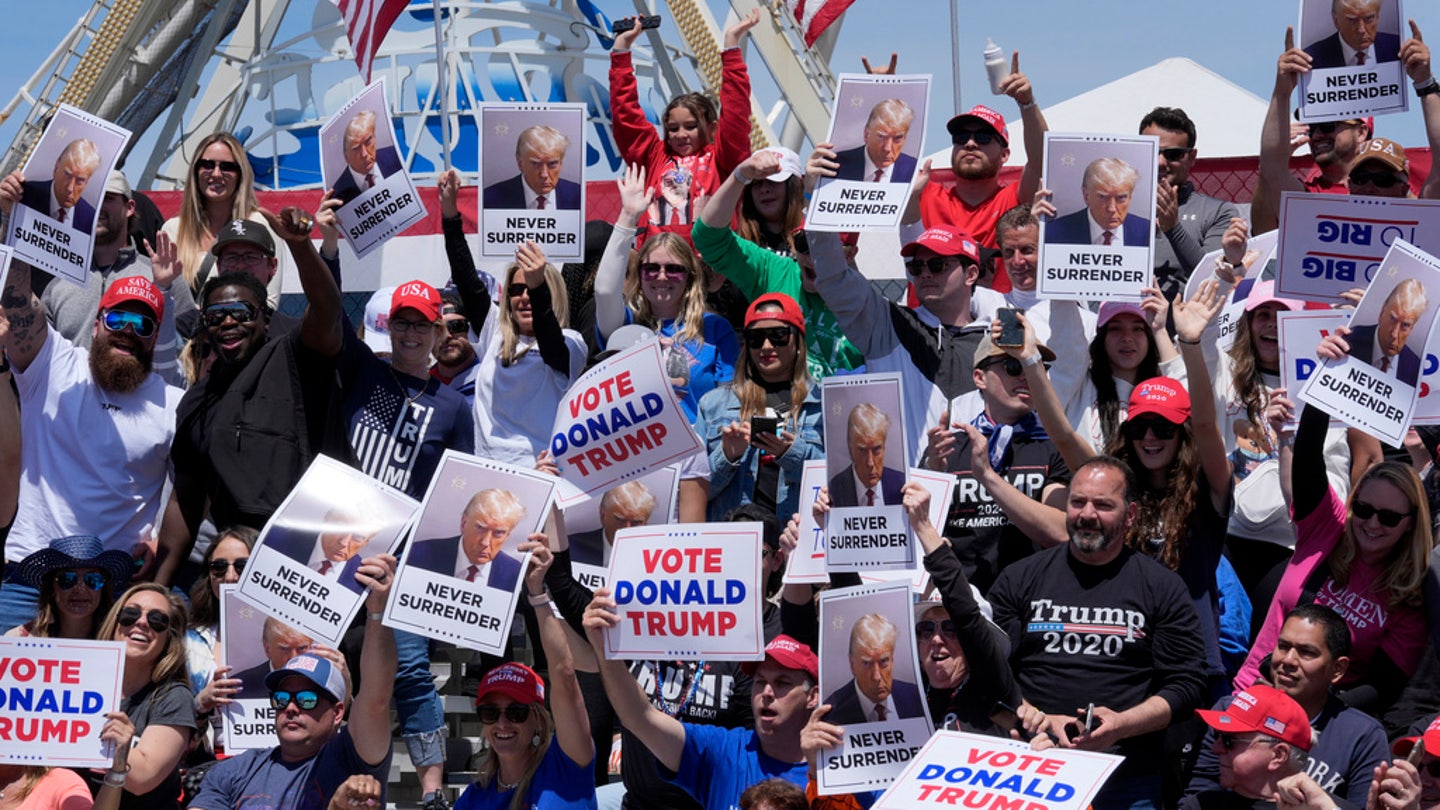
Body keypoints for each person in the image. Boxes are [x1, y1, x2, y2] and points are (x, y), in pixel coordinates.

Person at [998, 457, 1207, 810]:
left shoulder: (1161, 587)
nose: (1087, 514)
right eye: (1078, 502)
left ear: (1131, 514)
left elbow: (1188, 686)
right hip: (1028, 768)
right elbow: (989, 672)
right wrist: (1038, 719)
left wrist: (1121, 725)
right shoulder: (1020, 577)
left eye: (1104, 505)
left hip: (1125, 778)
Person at [160, 207, 353, 587]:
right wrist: (157, 582)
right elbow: (186, 497)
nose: (228, 322)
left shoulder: (295, 354)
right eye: (216, 316)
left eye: (241, 312)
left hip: (316, 559)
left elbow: (328, 311)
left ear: (265, 317)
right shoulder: (196, 401)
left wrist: (301, 246)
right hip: (238, 565)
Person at [1235, 343, 1431, 713]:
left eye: (1388, 517)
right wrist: (1330, 377)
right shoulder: (1328, 530)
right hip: (1251, 695)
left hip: (1321, 725)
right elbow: (1309, 460)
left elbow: (1384, 684)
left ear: (1409, 525)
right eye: (1364, 509)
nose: (1371, 523)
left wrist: (1317, 714)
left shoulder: (1409, 593)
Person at [0, 237, 181, 629]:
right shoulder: (53, 364)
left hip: (113, 589)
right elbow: (16, 305)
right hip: (31, 576)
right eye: (118, 319)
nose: (128, 331)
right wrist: (12, 221)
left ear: (154, 335)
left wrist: (158, 539)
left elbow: (188, 491)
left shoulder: (173, 404)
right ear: (98, 322)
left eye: (142, 324)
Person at [585, 579, 817, 810]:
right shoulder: (724, 750)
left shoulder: (832, 771)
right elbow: (640, 717)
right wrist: (604, 650)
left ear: (813, 696)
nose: (767, 692)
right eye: (760, 682)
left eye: (782, 683)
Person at [189, 554, 398, 810]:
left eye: (307, 700)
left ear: (337, 712)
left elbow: (376, 697)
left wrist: (377, 613)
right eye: (282, 699)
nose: (291, 707)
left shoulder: (353, 760)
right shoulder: (235, 771)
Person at [439, 170, 588, 465]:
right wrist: (449, 213)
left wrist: (537, 285)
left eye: (532, 288)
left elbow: (549, 341)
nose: (524, 297)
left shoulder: (572, 343)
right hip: (488, 468)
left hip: (541, 469)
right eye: (516, 290)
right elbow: (467, 281)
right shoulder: (494, 333)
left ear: (551, 293)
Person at [808, 225, 989, 461]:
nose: (924, 274)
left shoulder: (995, 341)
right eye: (916, 266)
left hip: (979, 492)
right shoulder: (888, 324)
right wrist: (817, 206)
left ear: (971, 274)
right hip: (907, 491)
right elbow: (834, 277)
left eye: (937, 265)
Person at [1188, 605, 1388, 807]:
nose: (1288, 660)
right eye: (1283, 646)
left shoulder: (1362, 736)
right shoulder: (1233, 710)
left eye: (1306, 652)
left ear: (1338, 669)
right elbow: (1198, 797)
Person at [695, 149, 864, 378]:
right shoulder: (773, 269)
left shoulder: (866, 301)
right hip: (781, 399)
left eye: (828, 247)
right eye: (804, 243)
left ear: (849, 255)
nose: (814, 256)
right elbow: (708, 238)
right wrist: (739, 175)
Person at [453, 538, 595, 809]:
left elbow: (564, 675)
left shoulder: (566, 766)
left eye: (516, 712)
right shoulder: (473, 799)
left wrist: (537, 594)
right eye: (490, 713)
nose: (502, 723)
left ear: (538, 720)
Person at [924, 332, 1070, 593]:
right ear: (980, 377)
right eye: (1013, 366)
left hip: (1033, 600)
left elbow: (1060, 532)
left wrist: (988, 477)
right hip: (963, 604)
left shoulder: (1053, 446)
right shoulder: (948, 447)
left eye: (1035, 367)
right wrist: (933, 472)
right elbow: (922, 533)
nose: (1026, 376)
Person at [594, 164, 739, 423]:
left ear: (689, 276)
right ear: (639, 274)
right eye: (651, 268)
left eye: (673, 269)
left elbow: (726, 408)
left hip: (695, 457)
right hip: (640, 454)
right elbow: (605, 292)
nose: (661, 276)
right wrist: (627, 217)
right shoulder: (627, 325)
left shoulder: (716, 329)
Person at [908, 54, 1049, 291]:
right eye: (961, 137)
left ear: (1005, 155)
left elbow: (1041, 158)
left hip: (999, 323)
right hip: (930, 326)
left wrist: (1027, 103)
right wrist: (880, 92)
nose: (970, 144)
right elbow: (882, 160)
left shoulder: (1014, 201)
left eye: (983, 138)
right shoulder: (924, 194)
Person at [608, 10, 757, 232]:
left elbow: (736, 115)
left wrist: (732, 46)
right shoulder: (654, 156)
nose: (680, 134)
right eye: (672, 128)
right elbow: (625, 115)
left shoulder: (723, 161)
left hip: (710, 263)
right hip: (659, 262)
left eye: (690, 126)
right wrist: (621, 48)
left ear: (712, 127)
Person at [40, 170, 193, 378]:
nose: (97, 207)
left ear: (129, 207)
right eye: (89, 200)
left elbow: (187, 350)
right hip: (72, 407)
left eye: (107, 198)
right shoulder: (59, 283)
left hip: (141, 405)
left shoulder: (163, 276)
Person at [696, 292, 824, 521]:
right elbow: (692, 495)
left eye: (778, 335)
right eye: (756, 338)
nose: (766, 346)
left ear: (797, 341)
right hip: (734, 539)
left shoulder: (822, 405)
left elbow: (840, 485)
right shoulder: (714, 405)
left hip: (795, 539)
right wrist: (727, 456)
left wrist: (793, 453)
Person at [94, 583, 197, 809]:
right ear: (114, 622)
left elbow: (143, 779)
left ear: (170, 638)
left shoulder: (174, 697)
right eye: (130, 614)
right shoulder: (82, 680)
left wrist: (118, 750)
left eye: (157, 620)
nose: (141, 622)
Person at [161, 132, 286, 309]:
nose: (216, 174)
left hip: (245, 332)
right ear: (196, 171)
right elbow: (166, 300)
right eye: (207, 165)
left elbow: (270, 303)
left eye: (227, 167)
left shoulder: (260, 224)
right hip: (188, 334)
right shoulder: (173, 230)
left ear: (240, 174)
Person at [1140, 107, 1242, 302]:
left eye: (1173, 154)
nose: (1161, 162)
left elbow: (1212, 280)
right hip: (1125, 328)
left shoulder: (1218, 212)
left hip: (1186, 329)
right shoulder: (1113, 209)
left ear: (1192, 157)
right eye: (1152, 151)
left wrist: (1173, 228)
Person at [1182, 685, 1316, 810]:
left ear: (1278, 755)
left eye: (1229, 741)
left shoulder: (1322, 806)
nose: (1215, 749)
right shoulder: (1201, 805)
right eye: (1218, 735)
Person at [185, 525, 256, 750]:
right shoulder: (188, 639)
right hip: (207, 758)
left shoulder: (292, 635)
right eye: (219, 567)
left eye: (242, 566)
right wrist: (200, 703)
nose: (230, 576)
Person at [989, 204, 1097, 345]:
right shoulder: (987, 308)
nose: (1017, 261)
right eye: (1009, 252)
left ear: (1047, 248)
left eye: (1027, 250)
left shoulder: (1086, 322)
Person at [4, 535, 131, 639]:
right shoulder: (18, 640)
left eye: (92, 579)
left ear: (103, 589)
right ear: (51, 589)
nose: (80, 589)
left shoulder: (119, 641)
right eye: (68, 579)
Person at [409, 489, 525, 591]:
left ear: (508, 536)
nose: (485, 542)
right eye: (480, 528)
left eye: (498, 533)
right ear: (464, 524)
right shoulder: (418, 555)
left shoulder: (515, 574)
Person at [822, 613, 925, 725]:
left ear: (892, 660)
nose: (876, 677)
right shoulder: (830, 714)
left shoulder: (916, 697)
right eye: (867, 663)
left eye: (884, 661)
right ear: (852, 665)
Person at [266, 508, 378, 596]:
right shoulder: (276, 539)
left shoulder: (364, 583)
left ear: (366, 542)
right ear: (327, 520)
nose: (344, 542)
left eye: (358, 537)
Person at [1045, 157, 1150, 247]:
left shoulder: (1147, 232)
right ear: (1086, 196)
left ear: (1130, 197)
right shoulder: (1053, 233)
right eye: (1103, 197)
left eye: (1121, 198)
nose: (1112, 208)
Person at [1346, 278, 1427, 385]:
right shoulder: (1348, 341)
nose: (1394, 334)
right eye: (1392, 319)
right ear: (1382, 312)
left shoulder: (1415, 368)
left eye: (1405, 325)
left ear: (1412, 328)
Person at [482, 125, 582, 211]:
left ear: (561, 163)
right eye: (535, 164)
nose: (544, 174)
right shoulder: (490, 199)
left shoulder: (578, 196)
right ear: (520, 163)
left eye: (552, 164)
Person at [828, 402, 905, 508]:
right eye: (862, 450)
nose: (870, 463)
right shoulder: (833, 492)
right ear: (850, 449)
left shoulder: (902, 486)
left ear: (884, 448)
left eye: (877, 449)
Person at [568, 480, 657, 568]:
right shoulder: (573, 548)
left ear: (645, 523)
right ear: (603, 516)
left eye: (636, 523)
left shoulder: (655, 559)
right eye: (620, 520)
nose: (627, 529)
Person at [21, 137, 99, 234]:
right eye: (67, 175)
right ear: (56, 168)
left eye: (80, 180)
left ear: (87, 182)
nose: (70, 188)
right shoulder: (24, 194)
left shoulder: (91, 220)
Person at [230, 617, 318, 700]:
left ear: (311, 646)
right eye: (284, 649)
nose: (293, 658)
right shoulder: (238, 688)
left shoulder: (326, 683)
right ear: (267, 649)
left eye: (301, 648)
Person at [833, 99, 917, 184]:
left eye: (897, 138)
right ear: (866, 135)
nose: (887, 148)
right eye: (881, 137)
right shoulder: (835, 166)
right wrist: (818, 179)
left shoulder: (915, 172)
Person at [331, 110, 402, 204]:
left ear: (375, 138)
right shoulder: (337, 195)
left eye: (368, 141)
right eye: (356, 148)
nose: (364, 154)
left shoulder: (394, 157)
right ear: (346, 156)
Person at [1305, 0, 1400, 68]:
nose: (1361, 30)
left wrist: (1416, 81)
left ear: (1377, 17)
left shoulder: (1398, 48)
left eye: (1369, 18)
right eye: (1351, 20)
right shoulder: (1310, 60)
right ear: (1336, 21)